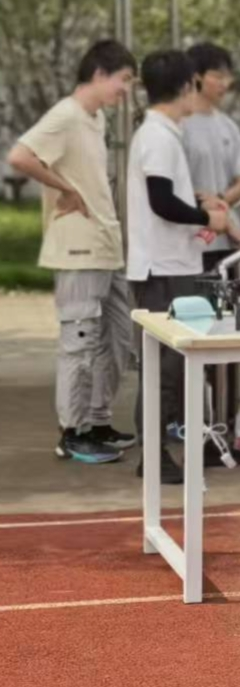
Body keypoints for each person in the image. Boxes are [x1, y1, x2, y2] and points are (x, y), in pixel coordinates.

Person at [8, 40, 139, 465]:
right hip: (78, 248)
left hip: (106, 246)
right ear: (99, 74)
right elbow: (20, 156)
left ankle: (97, 421)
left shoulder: (95, 119)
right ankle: (73, 432)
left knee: (118, 337)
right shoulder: (65, 115)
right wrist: (63, 188)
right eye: (123, 80)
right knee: (80, 341)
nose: (125, 91)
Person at [126, 49, 238, 485]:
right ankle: (152, 455)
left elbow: (166, 196)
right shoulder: (158, 135)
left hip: (171, 262)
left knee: (170, 366)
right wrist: (206, 217)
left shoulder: (163, 133)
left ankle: (158, 452)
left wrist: (197, 202)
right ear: (187, 86)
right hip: (163, 268)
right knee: (164, 368)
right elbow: (161, 202)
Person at [183, 42, 240, 276]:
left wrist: (218, 202)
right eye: (218, 76)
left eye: (228, 77)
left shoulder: (228, 126)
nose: (225, 84)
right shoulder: (179, 125)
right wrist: (205, 205)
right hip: (189, 239)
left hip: (226, 240)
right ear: (197, 77)